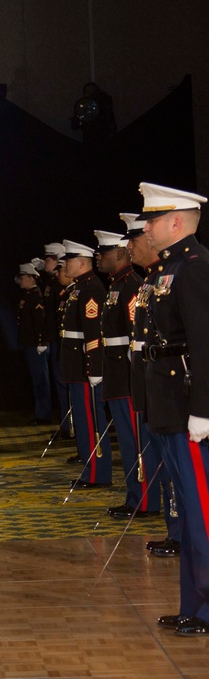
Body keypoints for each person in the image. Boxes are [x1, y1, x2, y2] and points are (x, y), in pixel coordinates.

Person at [135, 182, 209, 637]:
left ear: (177, 221)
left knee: (201, 511)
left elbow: (204, 344)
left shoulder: (195, 269)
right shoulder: (169, 268)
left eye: (154, 219)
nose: (147, 226)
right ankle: (193, 604)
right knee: (187, 508)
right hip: (167, 404)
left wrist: (203, 408)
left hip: (187, 409)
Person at [121, 211, 179, 557]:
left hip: (169, 384)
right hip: (150, 380)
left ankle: (182, 531)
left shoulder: (172, 276)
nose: (131, 245)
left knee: (176, 467)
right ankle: (176, 530)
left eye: (136, 238)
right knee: (165, 461)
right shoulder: (149, 281)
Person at [93, 229, 147, 518]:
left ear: (122, 253)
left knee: (135, 441)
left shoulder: (130, 285)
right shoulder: (115, 285)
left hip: (127, 374)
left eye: (105, 251)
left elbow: (134, 336)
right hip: (115, 372)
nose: (99, 256)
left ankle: (144, 500)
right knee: (126, 441)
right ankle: (134, 496)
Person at [59, 240, 109, 487]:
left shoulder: (90, 288)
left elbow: (93, 333)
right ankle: (91, 470)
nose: (64, 265)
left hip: (84, 365)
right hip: (74, 363)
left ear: (81, 263)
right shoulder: (78, 287)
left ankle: (98, 473)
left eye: (68, 261)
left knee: (91, 421)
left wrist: (93, 367)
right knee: (82, 418)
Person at [41, 243, 71, 437]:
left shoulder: (62, 287)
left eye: (50, 258)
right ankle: (66, 425)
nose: (46, 262)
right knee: (60, 386)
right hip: (56, 341)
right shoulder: (53, 284)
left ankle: (70, 426)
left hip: (64, 343)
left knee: (65, 387)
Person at [15, 262, 50, 424]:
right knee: (36, 381)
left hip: (36, 345)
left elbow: (40, 321)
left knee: (41, 381)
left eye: (22, 277)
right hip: (29, 344)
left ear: (31, 278)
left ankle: (43, 415)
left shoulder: (36, 296)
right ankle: (40, 413)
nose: (20, 280)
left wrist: (41, 341)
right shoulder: (28, 295)